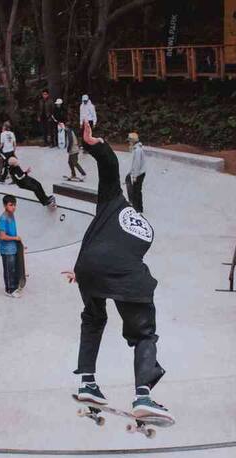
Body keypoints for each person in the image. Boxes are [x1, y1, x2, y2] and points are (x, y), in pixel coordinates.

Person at [62, 122, 172, 421]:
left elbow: (109, 165)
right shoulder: (147, 231)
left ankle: (87, 380)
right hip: (125, 277)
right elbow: (122, 255)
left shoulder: (112, 201)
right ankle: (143, 396)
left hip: (89, 269)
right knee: (143, 333)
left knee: (93, 318)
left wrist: (95, 144)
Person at [0, 194, 23, 298]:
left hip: (13, 247)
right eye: (10, 205)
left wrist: (19, 243)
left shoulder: (11, 215)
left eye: (14, 205)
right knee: (9, 269)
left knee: (13, 268)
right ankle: (9, 290)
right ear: (5, 205)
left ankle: (14, 287)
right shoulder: (3, 219)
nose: (13, 207)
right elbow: (2, 236)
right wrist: (15, 238)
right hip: (6, 249)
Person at [125, 132, 147, 213]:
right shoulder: (137, 148)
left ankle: (137, 208)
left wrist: (134, 176)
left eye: (130, 141)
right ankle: (139, 208)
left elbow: (137, 164)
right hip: (140, 173)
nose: (129, 143)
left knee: (136, 191)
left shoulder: (137, 150)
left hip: (139, 174)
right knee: (137, 190)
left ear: (133, 141)